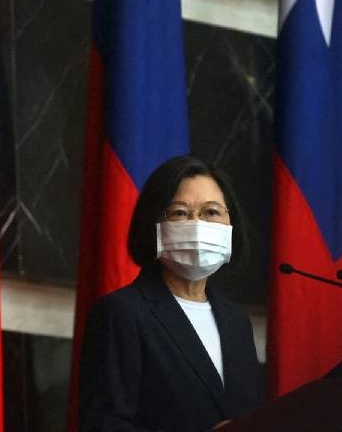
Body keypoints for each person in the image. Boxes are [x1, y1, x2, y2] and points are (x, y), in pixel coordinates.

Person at [79, 155, 263, 432]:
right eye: (179, 213)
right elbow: (104, 425)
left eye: (211, 212)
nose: (198, 225)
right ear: (153, 225)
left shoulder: (236, 322)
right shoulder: (122, 313)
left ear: (230, 223)